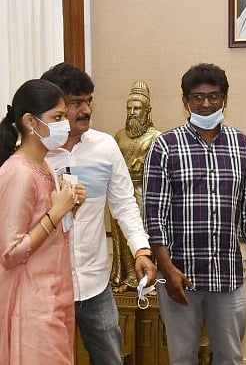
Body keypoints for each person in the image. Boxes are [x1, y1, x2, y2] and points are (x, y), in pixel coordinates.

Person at [143, 62, 246, 365]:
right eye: (198, 97)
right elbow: (154, 215)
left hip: (227, 274)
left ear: (225, 99)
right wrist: (167, 269)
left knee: (231, 357)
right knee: (182, 357)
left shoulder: (241, 145)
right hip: (179, 275)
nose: (207, 104)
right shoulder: (165, 146)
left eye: (214, 96)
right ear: (185, 101)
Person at [41, 63, 157, 365]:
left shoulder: (105, 146)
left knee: (110, 358)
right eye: (76, 102)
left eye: (89, 101)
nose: (86, 110)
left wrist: (141, 250)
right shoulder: (35, 153)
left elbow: (125, 204)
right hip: (47, 286)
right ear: (54, 106)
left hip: (95, 285)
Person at [0, 79, 86, 364]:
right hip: (31, 306)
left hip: (54, 296)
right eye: (57, 118)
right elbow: (10, 252)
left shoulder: (45, 165)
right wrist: (56, 213)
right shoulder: (18, 172)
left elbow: (49, 232)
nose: (66, 125)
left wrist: (70, 206)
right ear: (30, 122)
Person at [110, 80, 161, 293]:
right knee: (122, 236)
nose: (132, 113)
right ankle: (128, 276)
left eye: (137, 108)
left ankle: (145, 278)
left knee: (141, 233)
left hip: (143, 192)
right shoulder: (119, 136)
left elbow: (160, 171)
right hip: (119, 192)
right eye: (129, 108)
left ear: (147, 111)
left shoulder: (156, 137)